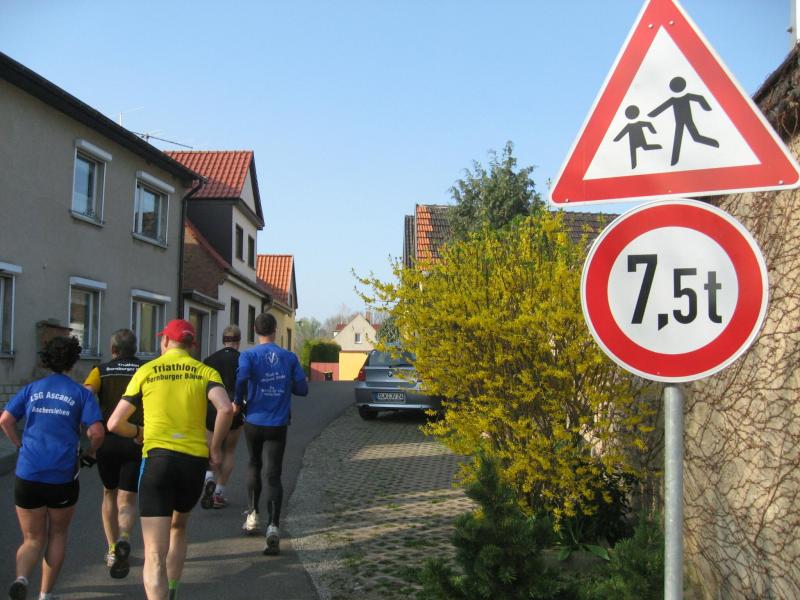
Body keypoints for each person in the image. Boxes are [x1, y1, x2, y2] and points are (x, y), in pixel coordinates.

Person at [108, 319, 232, 600]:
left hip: (157, 462)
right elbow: (225, 409)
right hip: (192, 464)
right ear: (192, 345)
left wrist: (138, 432)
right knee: (178, 528)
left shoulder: (146, 370)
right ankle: (173, 590)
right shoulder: (205, 371)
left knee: (154, 553)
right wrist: (215, 449)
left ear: (165, 341)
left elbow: (114, 423)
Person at [0, 336, 104, 600]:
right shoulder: (81, 393)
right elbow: (97, 432)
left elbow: (5, 420)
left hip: (28, 472)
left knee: (32, 538)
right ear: (73, 360)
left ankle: (22, 578)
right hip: (62, 475)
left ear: (46, 359)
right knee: (57, 534)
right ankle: (45, 595)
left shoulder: (32, 389)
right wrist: (90, 453)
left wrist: (20, 445)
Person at [235, 312, 308, 555]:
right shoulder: (289, 357)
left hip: (253, 421)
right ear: (275, 330)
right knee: (273, 474)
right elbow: (303, 389)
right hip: (278, 423)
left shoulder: (248, 355)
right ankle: (273, 527)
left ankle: (252, 516)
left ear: (255, 331)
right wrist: (285, 383)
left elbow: (242, 377)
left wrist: (238, 401)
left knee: (254, 464)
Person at [83, 328, 145, 579]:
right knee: (127, 499)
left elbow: (86, 394)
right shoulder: (145, 369)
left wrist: (90, 424)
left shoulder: (100, 371)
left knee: (109, 493)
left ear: (113, 350)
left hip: (107, 442)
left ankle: (111, 549)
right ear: (135, 349)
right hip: (136, 439)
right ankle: (125, 537)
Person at [200, 325, 244, 509]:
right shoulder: (243, 359)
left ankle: (209, 476)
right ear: (238, 342)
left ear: (223, 340)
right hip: (235, 409)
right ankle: (219, 493)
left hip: (212, 410)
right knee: (229, 451)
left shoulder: (209, 360)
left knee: (211, 448)